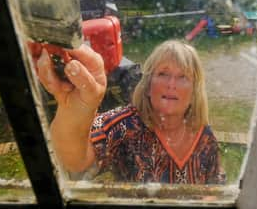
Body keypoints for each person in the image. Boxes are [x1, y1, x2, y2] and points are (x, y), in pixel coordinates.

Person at [36, 39, 225, 185]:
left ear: (194, 91)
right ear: (148, 85)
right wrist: (78, 108)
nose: (171, 84)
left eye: (183, 77)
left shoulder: (204, 134)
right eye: (163, 74)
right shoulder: (125, 125)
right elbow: (74, 160)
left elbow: (216, 188)